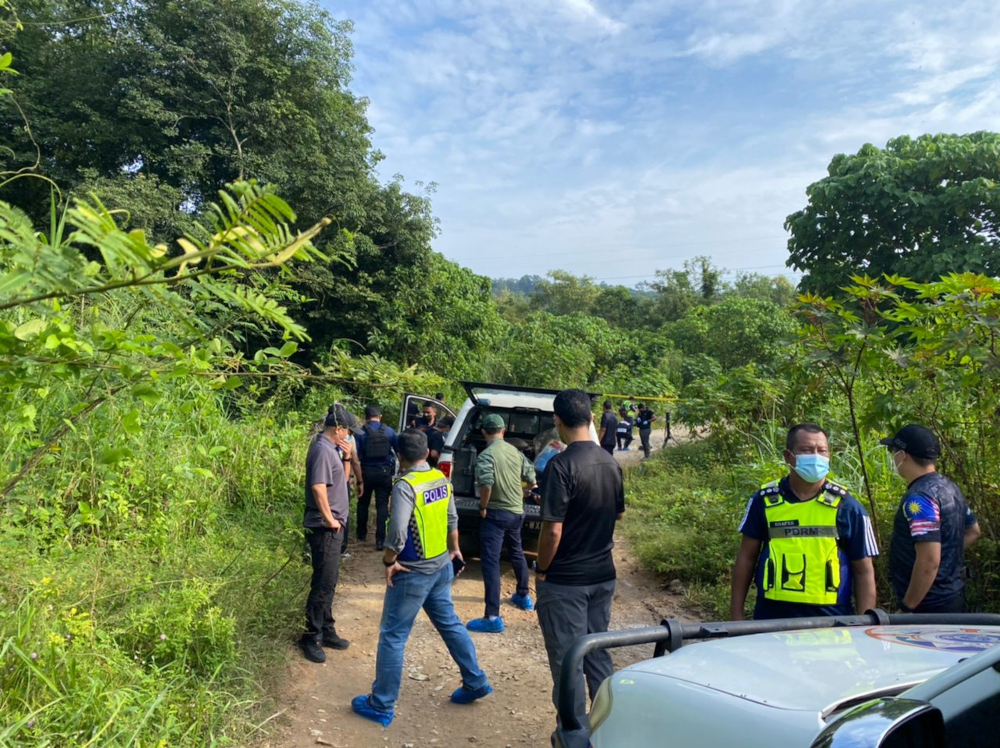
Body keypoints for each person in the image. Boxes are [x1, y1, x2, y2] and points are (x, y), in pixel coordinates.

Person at [351, 429, 492, 727]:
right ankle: (475, 681)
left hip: (412, 572)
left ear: (399, 456)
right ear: (428, 453)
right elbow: (452, 518)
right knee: (451, 624)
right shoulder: (441, 480)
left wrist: (389, 560)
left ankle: (381, 704)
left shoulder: (405, 486)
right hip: (441, 566)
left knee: (392, 636)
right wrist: (454, 551)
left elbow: (398, 533)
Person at [536, 389, 625, 734]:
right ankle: (608, 727)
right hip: (603, 576)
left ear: (557, 421)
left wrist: (542, 569)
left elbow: (552, 532)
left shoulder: (560, 466)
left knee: (567, 661)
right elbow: (617, 515)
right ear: (590, 418)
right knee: (598, 651)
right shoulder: (610, 462)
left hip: (565, 582)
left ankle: (571, 733)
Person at [730, 423, 878, 621]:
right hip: (771, 620)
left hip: (832, 622)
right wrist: (736, 615)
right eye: (807, 450)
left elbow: (864, 571)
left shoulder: (848, 507)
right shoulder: (764, 501)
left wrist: (865, 625)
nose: (815, 456)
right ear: (788, 456)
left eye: (822, 450)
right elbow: (746, 558)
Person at [882, 424, 981, 613]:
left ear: (902, 455)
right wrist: (946, 561)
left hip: (927, 605)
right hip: (952, 596)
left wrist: (907, 607)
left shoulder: (919, 499)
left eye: (892, 451)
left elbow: (929, 560)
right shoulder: (949, 487)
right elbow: (973, 531)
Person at [467, 413, 537, 634]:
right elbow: (532, 478)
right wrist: (524, 491)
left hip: (496, 514)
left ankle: (492, 617)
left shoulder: (486, 455)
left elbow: (486, 484)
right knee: (517, 551)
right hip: (517, 513)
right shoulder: (515, 452)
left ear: (484, 432)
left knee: (490, 562)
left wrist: (483, 506)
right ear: (503, 431)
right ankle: (524, 596)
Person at [300, 404, 356, 663]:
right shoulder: (322, 450)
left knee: (330, 580)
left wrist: (346, 457)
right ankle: (310, 636)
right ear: (339, 429)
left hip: (335, 525)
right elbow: (318, 487)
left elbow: (343, 482)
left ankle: (326, 628)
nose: (349, 435)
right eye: (348, 430)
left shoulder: (333, 449)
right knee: (323, 582)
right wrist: (329, 519)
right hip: (325, 528)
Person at [355, 404, 398, 552]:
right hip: (384, 473)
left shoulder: (360, 432)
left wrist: (356, 477)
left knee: (363, 504)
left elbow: (357, 456)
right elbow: (399, 452)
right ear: (380, 416)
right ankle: (380, 540)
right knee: (382, 506)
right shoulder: (389, 431)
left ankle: (361, 535)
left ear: (365, 417)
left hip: (366, 473)